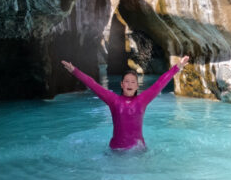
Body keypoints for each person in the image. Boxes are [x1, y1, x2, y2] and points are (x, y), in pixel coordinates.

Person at [60, 56, 190, 150]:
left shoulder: (143, 100)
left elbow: (160, 83)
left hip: (138, 151)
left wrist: (177, 67)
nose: (130, 84)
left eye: (133, 82)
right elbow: (93, 84)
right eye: (127, 81)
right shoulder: (113, 100)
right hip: (116, 151)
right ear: (122, 84)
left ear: (137, 86)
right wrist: (74, 70)